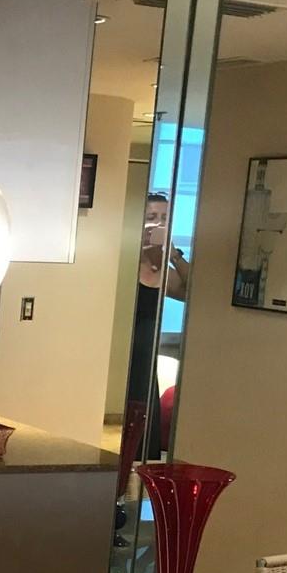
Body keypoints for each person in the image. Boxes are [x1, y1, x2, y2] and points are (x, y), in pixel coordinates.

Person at [123, 193, 188, 459]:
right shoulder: (125, 262)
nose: (158, 224)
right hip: (122, 355)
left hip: (147, 361)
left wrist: (173, 254)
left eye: (164, 218)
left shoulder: (161, 268)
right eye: (151, 217)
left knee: (143, 437)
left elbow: (193, 291)